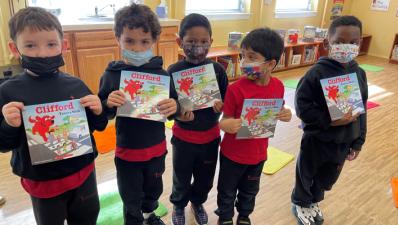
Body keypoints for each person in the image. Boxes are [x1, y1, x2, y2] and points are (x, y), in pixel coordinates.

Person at [0, 7, 107, 225]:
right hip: (43, 183)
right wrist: (9, 125)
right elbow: (3, 144)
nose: (42, 53)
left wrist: (98, 110)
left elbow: (98, 126)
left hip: (83, 173)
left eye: (51, 44)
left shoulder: (76, 85)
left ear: (63, 46)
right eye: (30, 45)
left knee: (88, 218)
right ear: (14, 48)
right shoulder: (8, 92)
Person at [97, 3, 178, 225]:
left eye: (145, 41)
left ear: (154, 41)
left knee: (154, 190)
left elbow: (173, 108)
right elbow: (102, 114)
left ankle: (150, 215)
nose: (138, 48)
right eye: (130, 41)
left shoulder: (161, 74)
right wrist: (107, 103)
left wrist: (175, 107)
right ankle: (133, 220)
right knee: (130, 196)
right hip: (127, 152)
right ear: (118, 39)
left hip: (156, 149)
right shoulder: (112, 75)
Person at [291, 15, 368, 225]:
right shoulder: (315, 74)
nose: (347, 47)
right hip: (317, 139)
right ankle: (300, 202)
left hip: (343, 142)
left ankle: (314, 200)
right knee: (306, 174)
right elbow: (302, 108)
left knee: (327, 178)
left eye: (353, 42)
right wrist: (329, 120)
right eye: (340, 42)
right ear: (328, 43)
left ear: (360, 42)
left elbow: (362, 109)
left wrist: (358, 140)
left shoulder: (359, 73)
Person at [216, 28, 292, 225]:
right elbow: (223, 120)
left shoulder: (278, 86)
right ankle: (225, 218)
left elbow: (278, 110)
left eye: (251, 57)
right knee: (226, 190)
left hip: (258, 155)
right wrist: (227, 125)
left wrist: (285, 113)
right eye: (242, 56)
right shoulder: (235, 89)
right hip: (232, 154)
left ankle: (244, 216)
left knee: (250, 191)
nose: (243, 63)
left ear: (271, 64)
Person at [167, 13, 229, 225]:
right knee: (180, 178)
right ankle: (178, 205)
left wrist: (222, 106)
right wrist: (178, 113)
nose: (198, 46)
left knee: (205, 179)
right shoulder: (173, 71)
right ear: (180, 41)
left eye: (203, 42)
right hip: (183, 139)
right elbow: (168, 106)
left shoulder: (218, 70)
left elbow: (226, 99)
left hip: (210, 138)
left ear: (211, 42)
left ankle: (198, 202)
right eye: (191, 42)